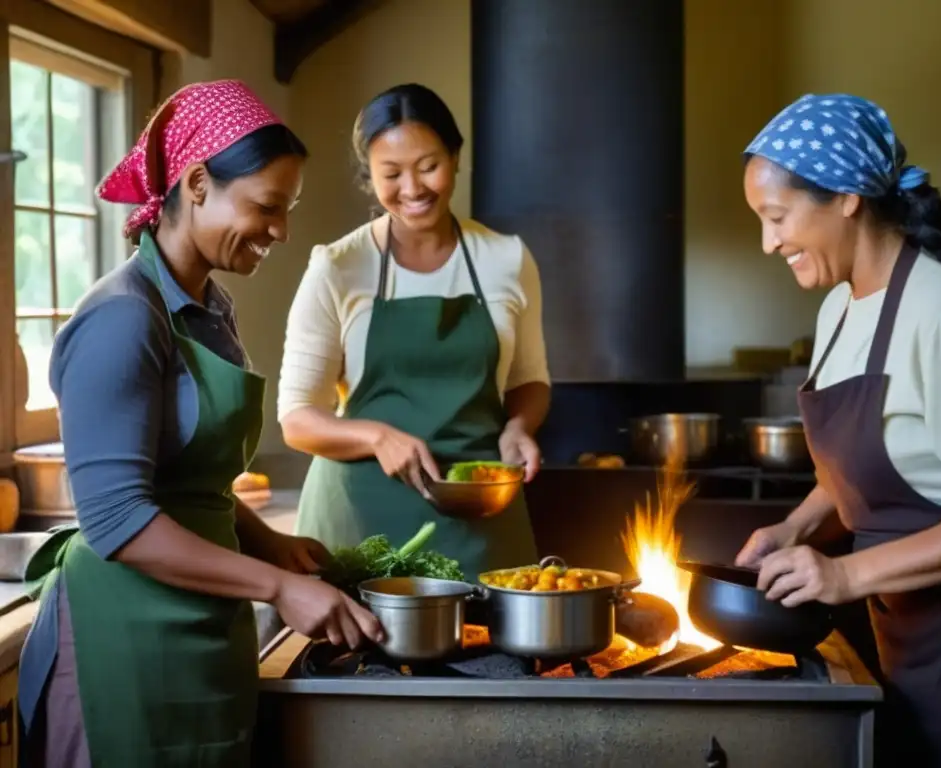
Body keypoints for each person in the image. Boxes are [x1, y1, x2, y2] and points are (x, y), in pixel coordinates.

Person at [18, 80, 383, 768]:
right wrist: (277, 587)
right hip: (119, 637)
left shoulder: (210, 309)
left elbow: (195, 481)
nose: (280, 230)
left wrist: (269, 543)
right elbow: (118, 520)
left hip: (201, 622)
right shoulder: (124, 317)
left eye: (288, 208)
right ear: (195, 184)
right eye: (266, 207)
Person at [735, 93, 941, 768]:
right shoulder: (841, 306)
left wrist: (843, 575)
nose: (768, 242)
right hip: (908, 630)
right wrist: (796, 529)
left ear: (846, 199)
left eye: (777, 217)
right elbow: (866, 468)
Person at [278, 83, 550, 578]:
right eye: (391, 174)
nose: (413, 189)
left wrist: (518, 429)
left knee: (497, 653)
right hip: (361, 527)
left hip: (481, 516)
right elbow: (297, 420)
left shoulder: (506, 259)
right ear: (370, 178)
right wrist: (378, 437)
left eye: (428, 166)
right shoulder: (338, 267)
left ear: (456, 156)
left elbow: (529, 379)